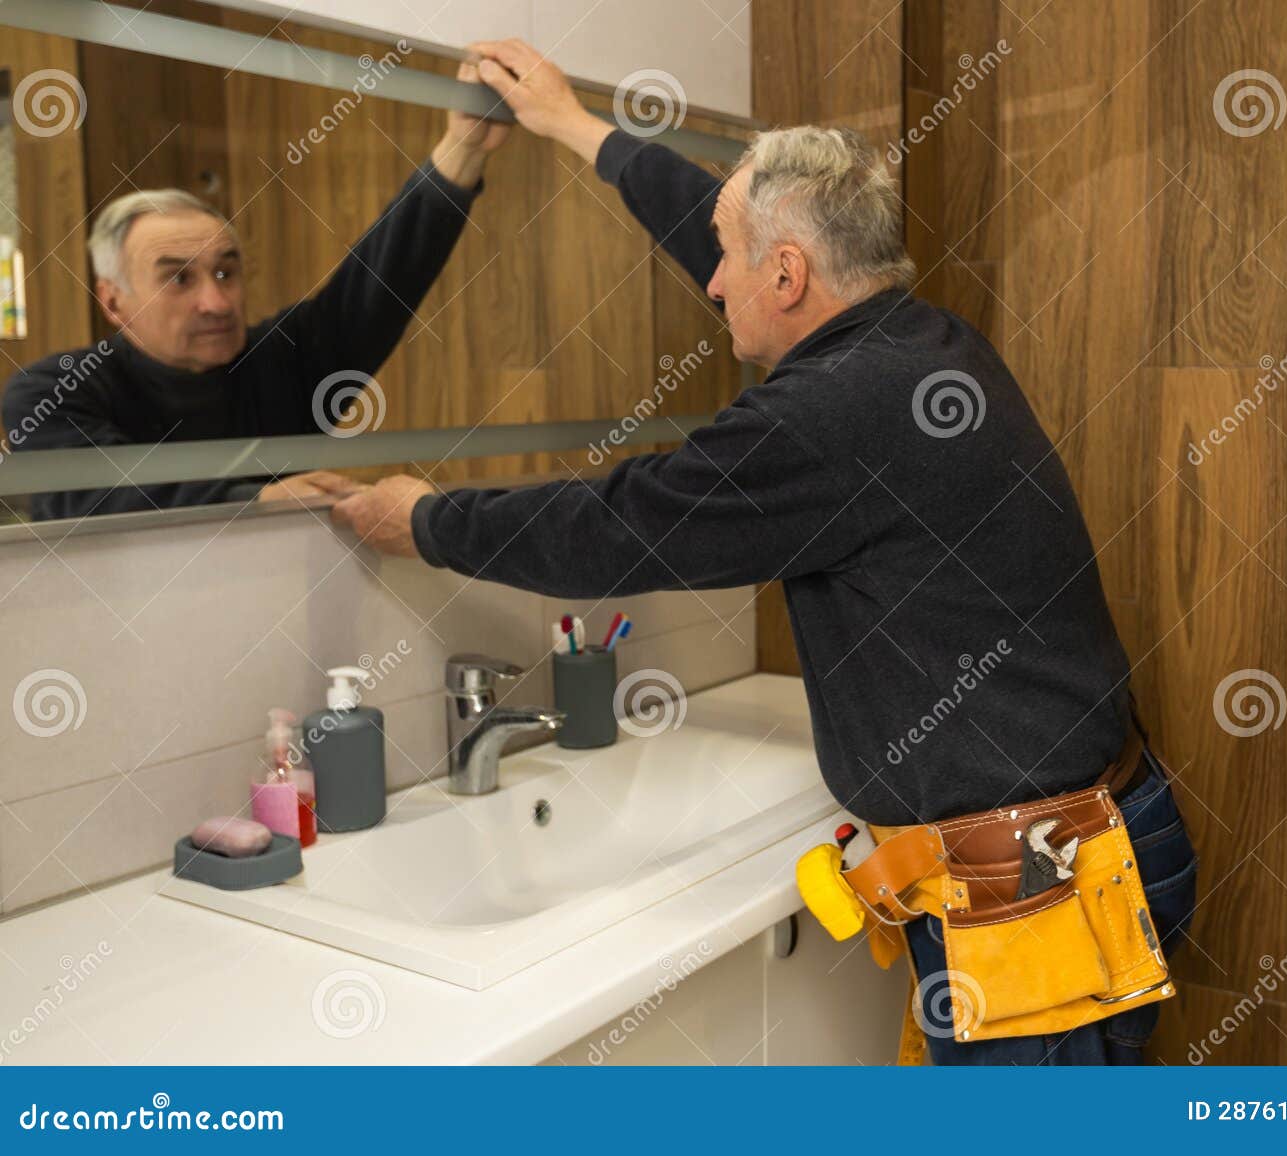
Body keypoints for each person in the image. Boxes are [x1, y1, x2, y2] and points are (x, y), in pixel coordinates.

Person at [333, 39, 1198, 1066]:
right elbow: (718, 218)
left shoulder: (828, 415)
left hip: (1033, 897)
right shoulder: (916, 343)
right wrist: (573, 127)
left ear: (785, 272)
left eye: (728, 257)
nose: (709, 282)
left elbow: (619, 526)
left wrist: (423, 521)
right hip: (1078, 840)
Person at [1, 62, 509, 522]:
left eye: (226, 273)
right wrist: (257, 502)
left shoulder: (284, 361)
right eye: (179, 279)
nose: (217, 303)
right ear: (113, 301)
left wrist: (463, 146)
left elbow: (385, 274)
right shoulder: (53, 391)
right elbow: (103, 499)